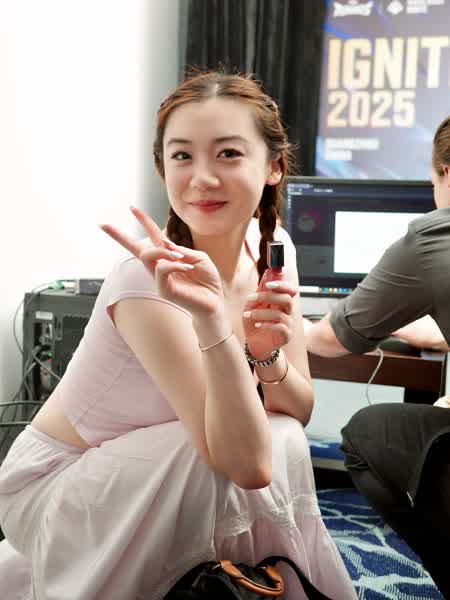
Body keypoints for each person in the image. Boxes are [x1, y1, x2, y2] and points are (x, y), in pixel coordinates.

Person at [0, 71, 356, 600]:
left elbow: (297, 410)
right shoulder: (145, 283)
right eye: (182, 156)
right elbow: (248, 466)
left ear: (274, 166)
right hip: (55, 480)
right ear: (162, 167)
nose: (202, 178)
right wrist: (212, 319)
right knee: (224, 457)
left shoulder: (273, 248)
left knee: (278, 434)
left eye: (228, 154)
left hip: (155, 461)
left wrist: (266, 358)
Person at [303, 115, 450, 596]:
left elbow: (333, 340)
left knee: (364, 433)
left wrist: (293, 329)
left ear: (445, 173)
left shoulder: (433, 236)